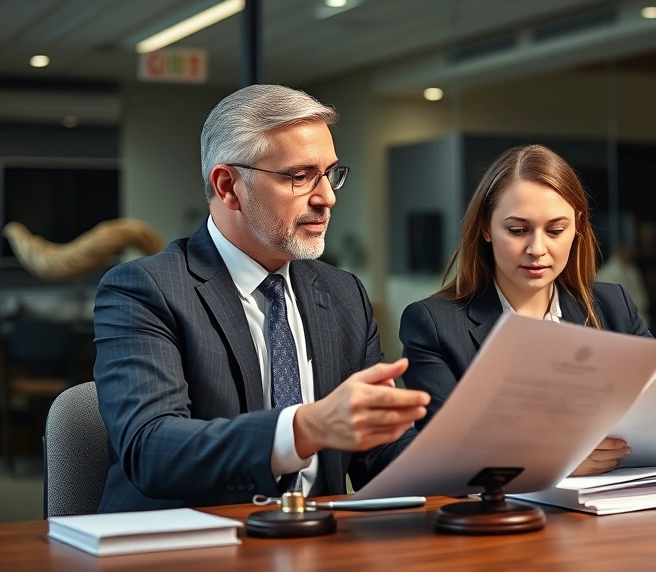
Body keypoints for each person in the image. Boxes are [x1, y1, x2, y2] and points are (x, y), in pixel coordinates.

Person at [93, 84, 430, 512]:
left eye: (330, 174)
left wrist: (473, 460)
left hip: (317, 544)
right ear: (228, 185)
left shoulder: (343, 292)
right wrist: (305, 428)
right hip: (187, 547)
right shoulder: (144, 289)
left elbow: (380, 453)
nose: (327, 197)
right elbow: (151, 448)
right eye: (300, 176)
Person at [399, 145, 656, 476]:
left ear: (577, 227)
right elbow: (441, 460)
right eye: (517, 230)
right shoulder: (434, 324)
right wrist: (557, 459)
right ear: (485, 228)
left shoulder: (612, 307)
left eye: (555, 230)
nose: (537, 248)